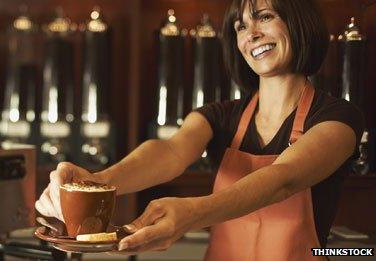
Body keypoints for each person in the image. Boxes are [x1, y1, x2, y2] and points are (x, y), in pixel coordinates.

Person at [36, 0, 364, 259]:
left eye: (264, 17)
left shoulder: (338, 118)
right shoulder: (221, 115)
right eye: (240, 27)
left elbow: (284, 179)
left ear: (299, 23)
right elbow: (170, 152)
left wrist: (192, 213)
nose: (251, 33)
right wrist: (97, 184)